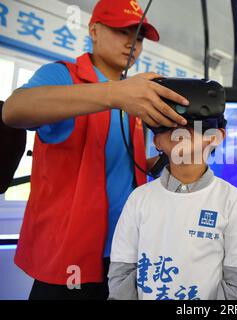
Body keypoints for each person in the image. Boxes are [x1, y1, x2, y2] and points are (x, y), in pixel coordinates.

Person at [2, 0, 190, 300]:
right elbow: (13, 110)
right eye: (121, 30)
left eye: (139, 35)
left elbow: (126, 168)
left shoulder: (138, 97)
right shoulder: (64, 76)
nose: (132, 42)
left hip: (124, 252)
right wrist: (115, 93)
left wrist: (172, 156)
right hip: (69, 255)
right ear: (94, 29)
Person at [108, 117, 237, 300]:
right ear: (157, 141)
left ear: (216, 136)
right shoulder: (139, 199)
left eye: (195, 123)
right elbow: (122, 274)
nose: (182, 129)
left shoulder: (231, 201)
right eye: (169, 123)